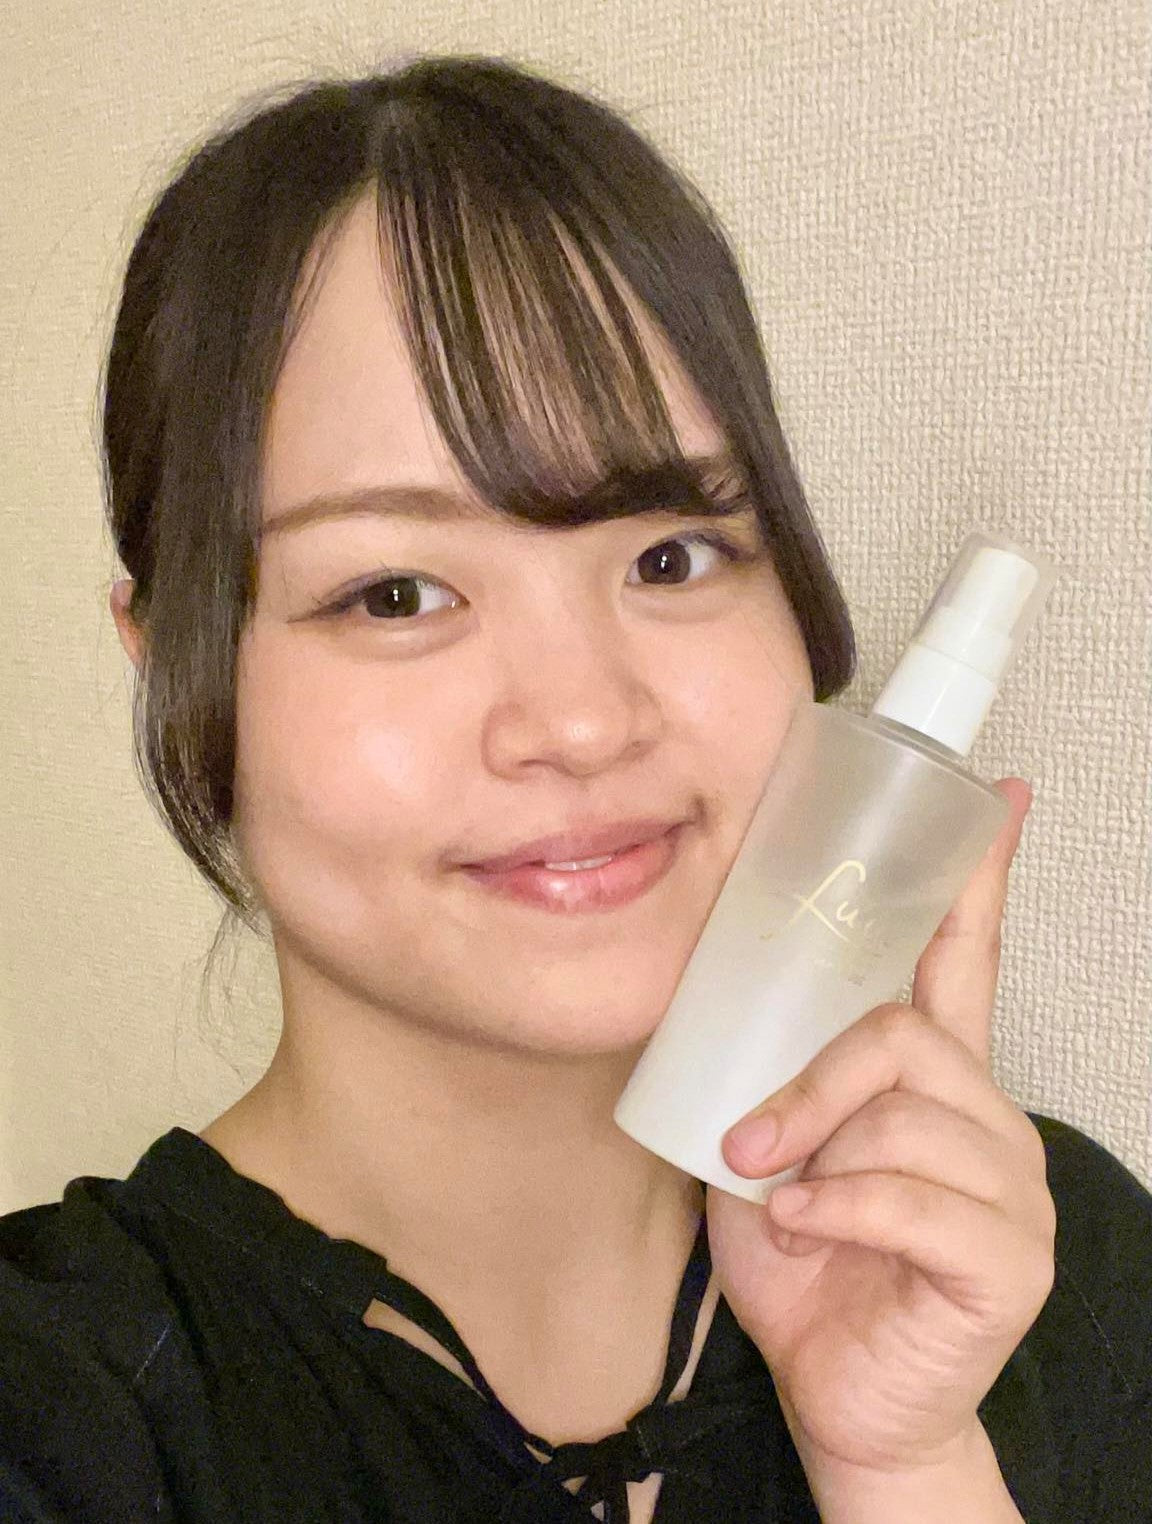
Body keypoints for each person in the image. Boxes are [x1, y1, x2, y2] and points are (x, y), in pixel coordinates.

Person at [1, 53, 1149, 1524]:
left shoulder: (1048, 1276)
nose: (584, 720)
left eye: (670, 556)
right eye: (396, 592)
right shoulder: (61, 1410)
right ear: (171, 661)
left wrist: (904, 1466)